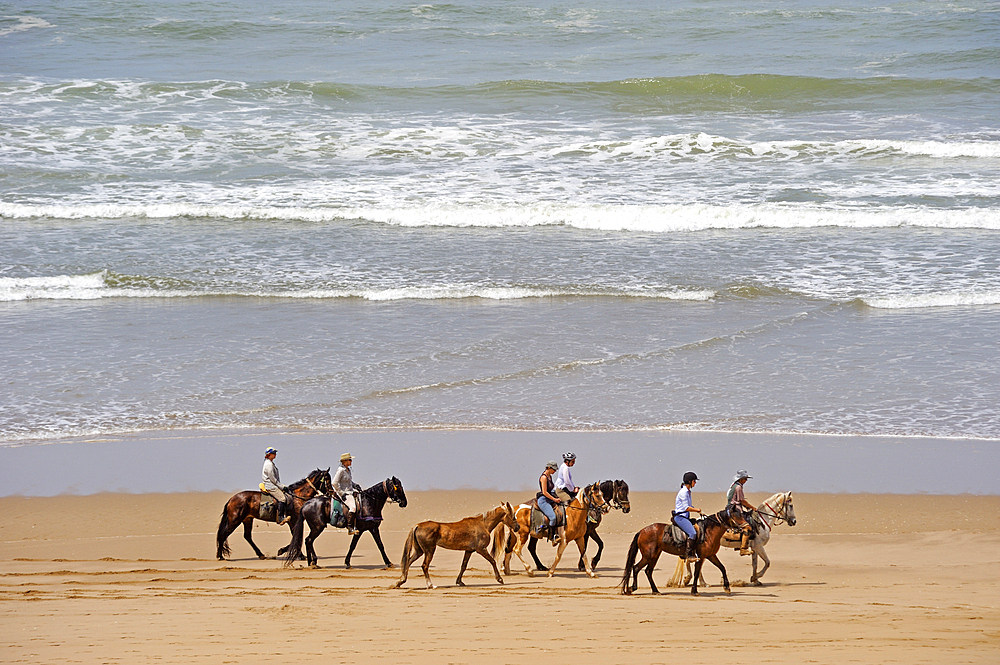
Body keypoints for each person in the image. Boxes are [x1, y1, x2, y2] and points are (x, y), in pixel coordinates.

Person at [673, 471, 702, 562]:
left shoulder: (688, 492)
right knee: (692, 533)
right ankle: (688, 555)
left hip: (685, 516)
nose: (695, 483)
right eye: (694, 481)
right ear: (689, 481)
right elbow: (686, 508)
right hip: (680, 517)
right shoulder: (684, 492)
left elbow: (689, 506)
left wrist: (699, 511)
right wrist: (697, 510)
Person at [727, 469, 756, 556]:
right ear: (740, 479)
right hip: (735, 510)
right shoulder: (738, 487)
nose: (746, 480)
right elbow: (742, 501)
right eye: (745, 478)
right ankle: (743, 549)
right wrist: (752, 507)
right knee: (747, 528)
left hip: (734, 509)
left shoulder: (734, 485)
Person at [536, 460, 565, 545]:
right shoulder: (544, 477)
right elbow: (544, 492)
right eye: (553, 469)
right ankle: (552, 537)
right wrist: (554, 499)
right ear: (549, 468)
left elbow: (551, 490)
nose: (555, 471)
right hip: (543, 500)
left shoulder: (550, 477)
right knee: (552, 517)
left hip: (550, 498)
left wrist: (556, 497)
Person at [261, 447, 291, 525]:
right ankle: (280, 518)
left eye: (275, 453)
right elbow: (273, 479)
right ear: (269, 455)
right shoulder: (269, 464)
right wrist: (281, 486)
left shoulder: (270, 463)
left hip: (273, 484)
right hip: (270, 485)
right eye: (273, 453)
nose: (275, 455)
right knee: (282, 498)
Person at [333, 453, 359, 535]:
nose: (351, 461)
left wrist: (355, 486)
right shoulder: (340, 470)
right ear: (345, 461)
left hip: (350, 491)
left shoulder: (348, 470)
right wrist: (341, 493)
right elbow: (334, 483)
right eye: (350, 460)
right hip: (345, 493)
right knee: (353, 507)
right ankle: (350, 527)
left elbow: (348, 482)